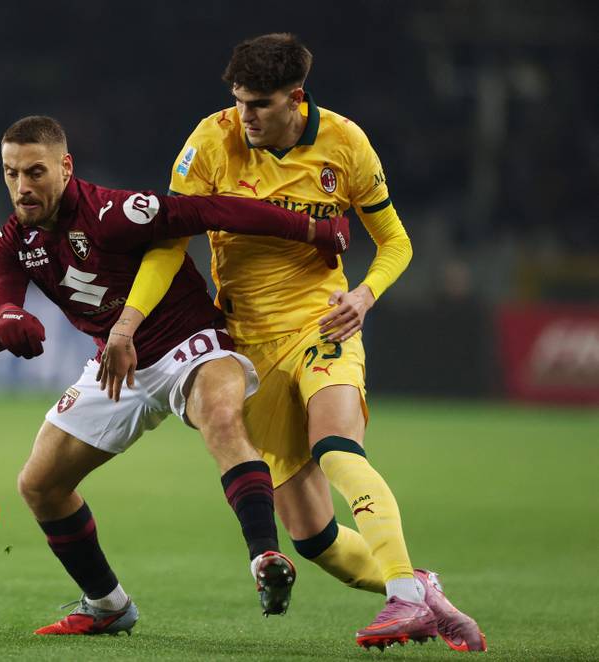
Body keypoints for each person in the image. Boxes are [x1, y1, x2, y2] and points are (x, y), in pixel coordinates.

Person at [100, 34, 486, 652]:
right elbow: (168, 244)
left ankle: (405, 601)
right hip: (247, 348)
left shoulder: (345, 143)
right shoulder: (210, 141)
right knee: (314, 539)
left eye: (257, 103)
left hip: (321, 324)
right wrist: (126, 324)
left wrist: (363, 296)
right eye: (238, 100)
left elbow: (396, 242)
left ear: (295, 99)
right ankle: (421, 585)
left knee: (336, 446)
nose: (244, 115)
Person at [0, 115, 351, 636]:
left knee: (222, 419)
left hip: (189, 344)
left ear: (65, 167)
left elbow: (209, 210)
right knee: (40, 485)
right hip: (117, 367)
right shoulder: (14, 242)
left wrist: (312, 229)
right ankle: (107, 604)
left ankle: (265, 557)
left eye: (35, 172)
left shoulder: (113, 212)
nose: (22, 188)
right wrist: (3, 323)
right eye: (11, 173)